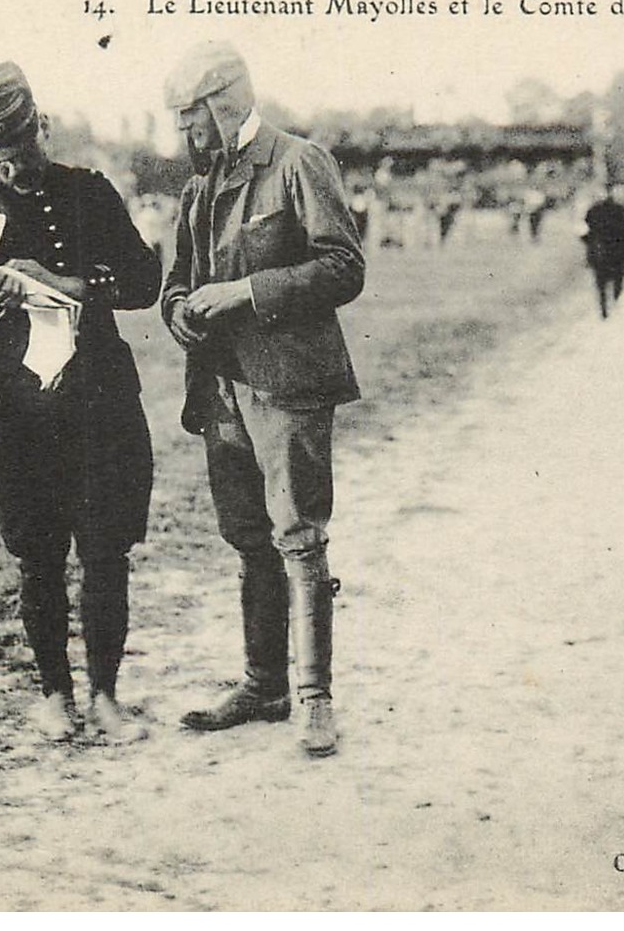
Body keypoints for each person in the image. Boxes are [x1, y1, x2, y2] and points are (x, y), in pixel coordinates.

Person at [0, 61, 161, 743]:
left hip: (98, 398)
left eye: (24, 154)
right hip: (17, 406)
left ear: (43, 127)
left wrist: (67, 282)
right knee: (36, 555)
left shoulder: (89, 193)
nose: (14, 172)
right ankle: (53, 695)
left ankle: (104, 696)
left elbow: (143, 280)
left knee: (104, 551)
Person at [160, 41, 365, 758]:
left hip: (288, 383)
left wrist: (245, 292)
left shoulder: (298, 162)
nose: (185, 134)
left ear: (225, 102)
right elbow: (177, 283)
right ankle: (262, 684)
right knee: (248, 538)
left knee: (298, 537)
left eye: (191, 118)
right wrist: (181, 307)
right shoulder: (197, 185)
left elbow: (342, 266)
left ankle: (314, 700)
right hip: (220, 387)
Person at [581, 185, 624, 320]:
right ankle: (614, 303)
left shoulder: (593, 210)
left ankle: (604, 308)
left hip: (601, 252)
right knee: (617, 279)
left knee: (601, 282)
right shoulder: (621, 210)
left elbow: (587, 231)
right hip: (617, 251)